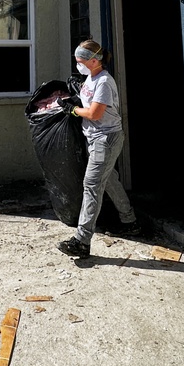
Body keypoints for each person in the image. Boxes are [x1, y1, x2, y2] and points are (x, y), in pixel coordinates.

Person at [57, 39, 139, 258]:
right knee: (109, 179)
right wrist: (71, 100)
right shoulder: (90, 78)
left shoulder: (104, 81)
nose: (78, 65)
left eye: (81, 61)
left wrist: (72, 110)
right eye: (77, 61)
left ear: (94, 60)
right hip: (94, 138)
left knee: (91, 184)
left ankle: (81, 241)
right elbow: (86, 103)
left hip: (106, 138)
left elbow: (94, 114)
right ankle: (130, 220)